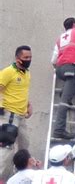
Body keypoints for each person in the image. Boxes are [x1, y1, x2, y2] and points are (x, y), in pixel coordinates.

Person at [0, 46, 33, 181]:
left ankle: (19, 177)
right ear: (17, 58)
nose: (28, 60)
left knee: (24, 147)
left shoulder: (27, 73)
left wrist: (28, 105)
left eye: (30, 57)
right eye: (26, 58)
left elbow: (21, 91)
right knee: (7, 149)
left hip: (21, 117)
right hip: (9, 115)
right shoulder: (8, 72)